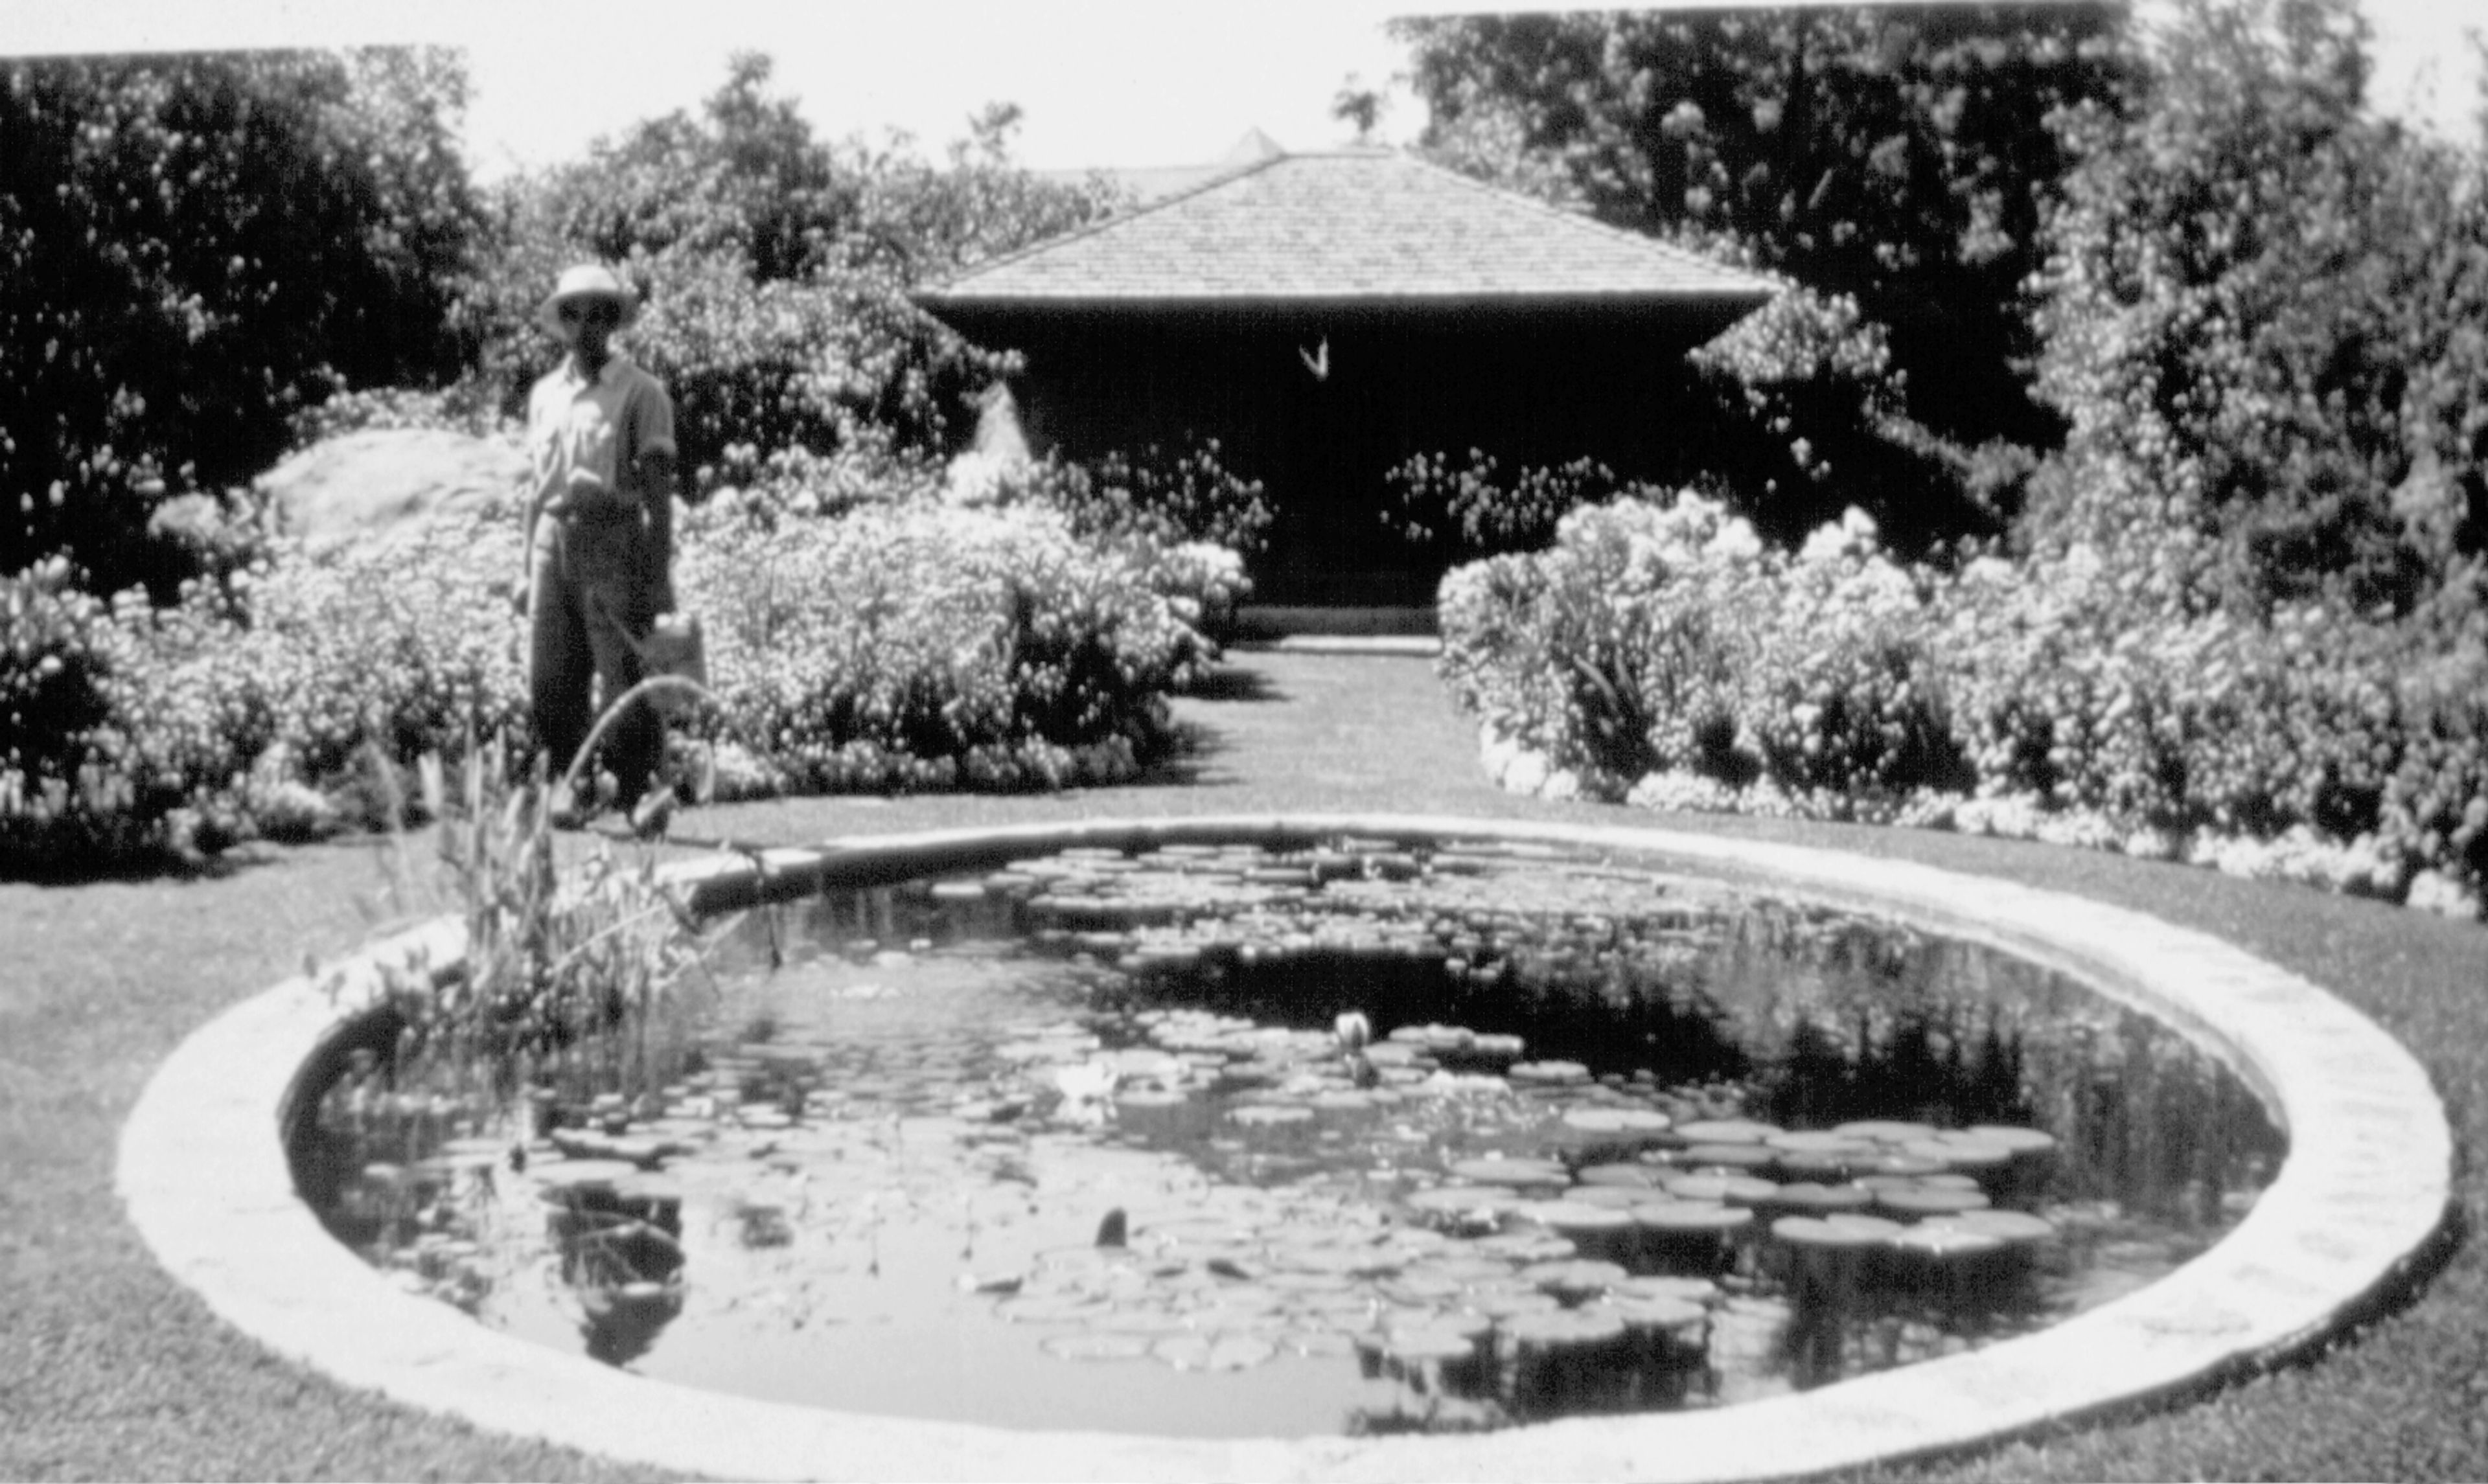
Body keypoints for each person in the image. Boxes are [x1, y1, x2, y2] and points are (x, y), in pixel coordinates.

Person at [522, 264, 678, 829]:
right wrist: (525, 569)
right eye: (573, 313)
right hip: (551, 541)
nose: (584, 324)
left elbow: (660, 495)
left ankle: (641, 795)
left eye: (596, 312)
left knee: (623, 678)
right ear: (561, 321)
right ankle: (574, 785)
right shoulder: (545, 394)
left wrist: (660, 576)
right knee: (549, 679)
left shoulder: (641, 392)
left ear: (613, 320)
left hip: (614, 541)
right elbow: (532, 491)